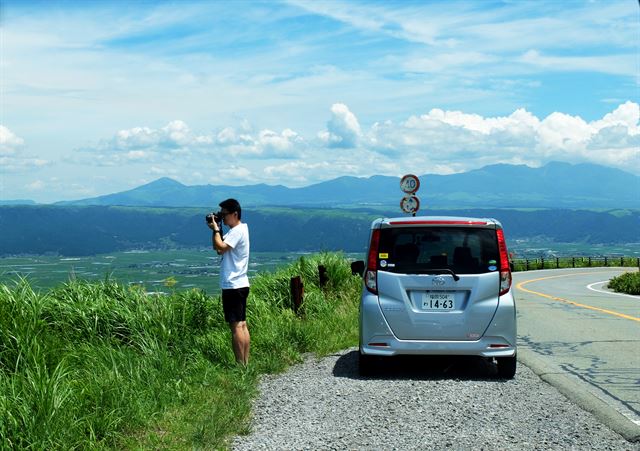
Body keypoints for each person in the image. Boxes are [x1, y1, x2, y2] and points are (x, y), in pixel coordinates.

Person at [207, 198, 251, 366]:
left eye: (224, 214)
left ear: (235, 214)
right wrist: (215, 231)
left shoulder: (237, 231)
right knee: (242, 324)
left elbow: (221, 247)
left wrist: (216, 229)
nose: (222, 217)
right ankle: (245, 363)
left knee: (236, 327)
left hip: (233, 284)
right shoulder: (240, 230)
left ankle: (240, 365)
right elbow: (218, 249)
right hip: (241, 283)